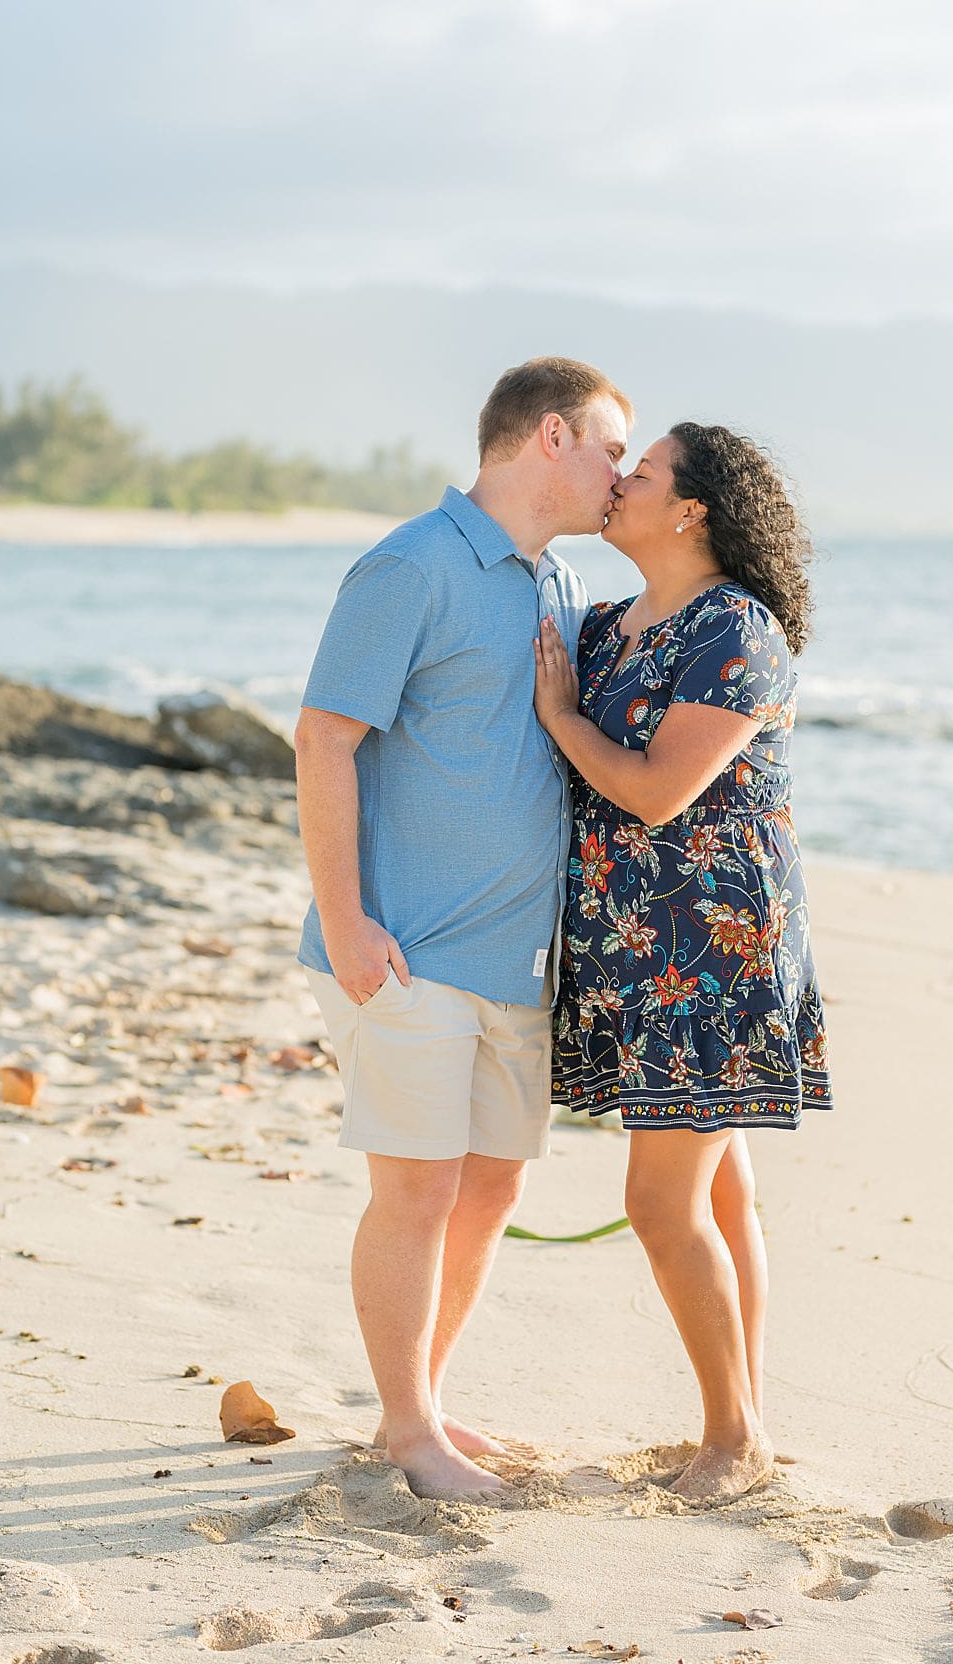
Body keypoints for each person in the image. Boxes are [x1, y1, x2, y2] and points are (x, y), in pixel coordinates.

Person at [295, 357, 632, 1501]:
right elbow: (323, 739)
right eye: (609, 448)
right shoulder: (410, 565)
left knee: (493, 1189)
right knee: (420, 1191)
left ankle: (421, 1403)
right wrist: (346, 922)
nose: (620, 474)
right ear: (550, 437)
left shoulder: (557, 581)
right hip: (406, 949)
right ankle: (406, 1431)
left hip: (516, 959)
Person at [533, 421, 831, 1502]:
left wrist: (561, 716)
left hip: (713, 953)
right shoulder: (610, 624)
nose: (618, 484)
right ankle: (742, 1421)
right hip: (637, 949)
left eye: (641, 474)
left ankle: (733, 1443)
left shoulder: (736, 629)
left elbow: (658, 790)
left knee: (665, 1206)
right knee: (722, 1195)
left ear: (692, 509)